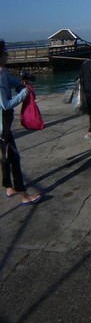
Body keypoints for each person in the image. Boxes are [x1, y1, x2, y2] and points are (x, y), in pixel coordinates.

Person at [0, 39, 42, 205]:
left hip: (5, 125)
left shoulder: (3, 72)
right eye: (4, 52)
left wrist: (21, 84)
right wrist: (24, 93)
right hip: (2, 126)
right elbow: (6, 104)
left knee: (5, 157)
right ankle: (24, 196)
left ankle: (8, 187)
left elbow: (13, 82)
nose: (7, 55)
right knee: (14, 159)